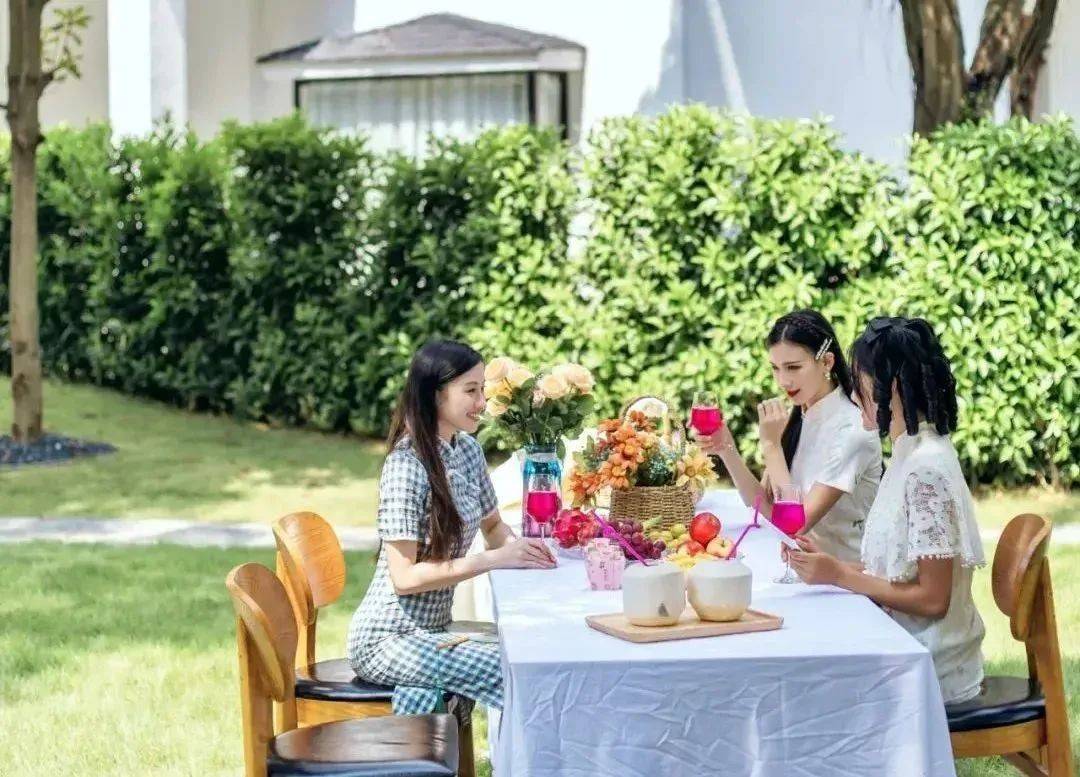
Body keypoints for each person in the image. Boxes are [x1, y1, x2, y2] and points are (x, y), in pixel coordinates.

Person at [346, 340, 555, 714]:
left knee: (533, 647)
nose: (482, 402)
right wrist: (494, 560)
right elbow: (404, 578)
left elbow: (494, 526)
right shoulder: (406, 466)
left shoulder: (468, 450)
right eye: (471, 391)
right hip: (388, 639)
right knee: (516, 668)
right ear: (434, 394)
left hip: (436, 629)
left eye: (483, 390)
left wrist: (521, 551)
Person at [788, 316, 986, 704]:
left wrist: (840, 575)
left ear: (890, 387)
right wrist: (829, 565)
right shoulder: (908, 452)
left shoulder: (925, 469)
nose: (852, 393)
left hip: (929, 666)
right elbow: (901, 569)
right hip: (901, 643)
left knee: (802, 684)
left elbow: (933, 600)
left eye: (859, 382)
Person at [695, 310, 881, 562]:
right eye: (775, 368)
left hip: (846, 575)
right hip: (799, 567)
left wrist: (772, 446)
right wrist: (725, 448)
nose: (783, 381)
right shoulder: (798, 415)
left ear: (827, 362)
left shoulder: (852, 430)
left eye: (793, 367)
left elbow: (794, 527)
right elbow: (763, 506)